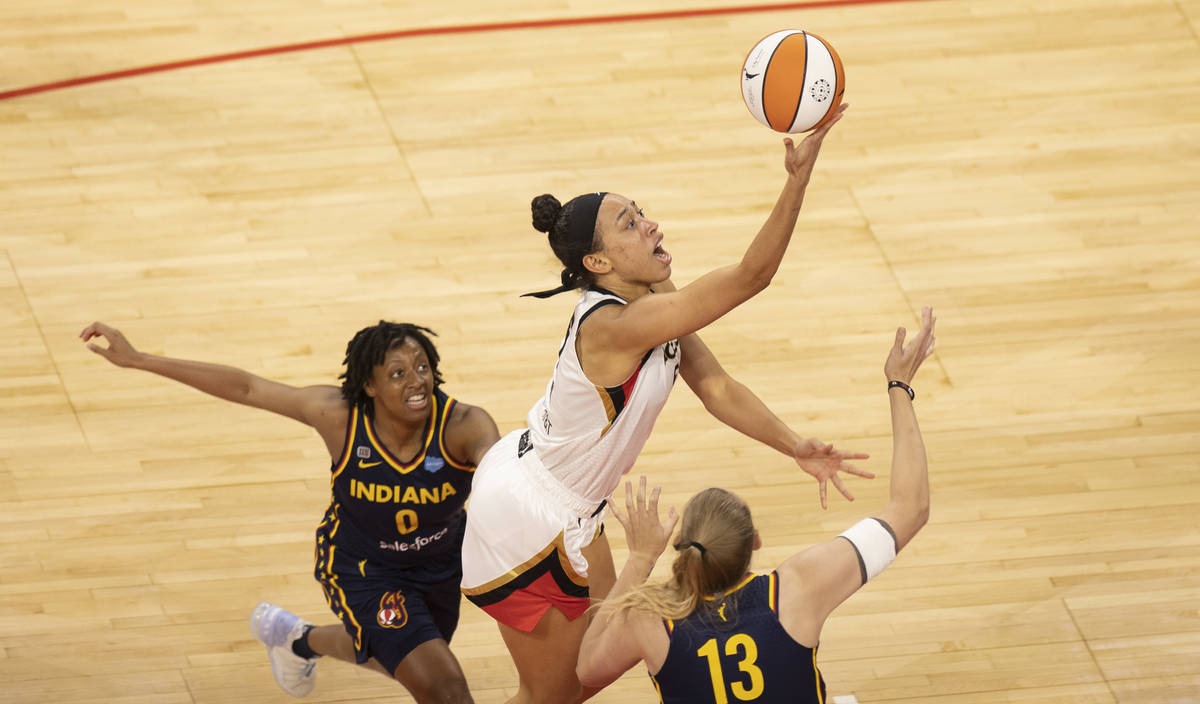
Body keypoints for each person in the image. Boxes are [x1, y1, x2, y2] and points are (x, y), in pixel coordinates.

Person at [459, 103, 867, 704]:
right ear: (597, 265)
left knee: (592, 668)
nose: (650, 226)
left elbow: (714, 385)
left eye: (641, 213)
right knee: (556, 695)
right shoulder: (614, 327)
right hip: (525, 516)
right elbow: (753, 275)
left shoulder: (653, 294)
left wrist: (793, 445)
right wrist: (797, 178)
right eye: (629, 224)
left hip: (571, 501)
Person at [79, 320, 500, 703]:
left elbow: (501, 472)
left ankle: (298, 640)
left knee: (397, 659)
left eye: (422, 367)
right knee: (446, 691)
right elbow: (247, 388)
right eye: (397, 373)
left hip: (442, 562)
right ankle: (300, 640)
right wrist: (138, 359)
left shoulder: (462, 424)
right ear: (369, 386)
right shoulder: (339, 416)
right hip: (366, 568)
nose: (416, 382)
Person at [575, 307, 936, 702]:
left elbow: (588, 667)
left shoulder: (651, 619)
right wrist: (899, 384)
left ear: (681, 544)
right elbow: (910, 507)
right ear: (756, 542)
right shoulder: (799, 587)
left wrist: (640, 558)